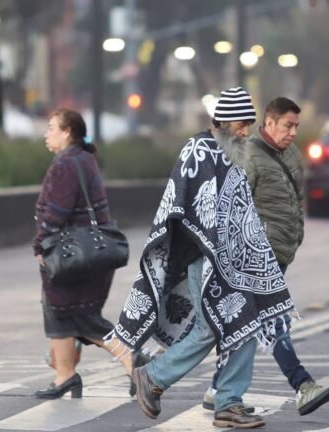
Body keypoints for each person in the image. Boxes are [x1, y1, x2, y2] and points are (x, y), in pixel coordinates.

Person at [105, 87, 296, 429]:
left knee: (244, 324)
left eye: (248, 125)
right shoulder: (199, 149)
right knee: (210, 328)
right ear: (224, 121)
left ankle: (229, 403)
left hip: (233, 262)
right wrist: (214, 246)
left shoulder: (233, 153)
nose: (246, 132)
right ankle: (153, 376)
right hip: (203, 256)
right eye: (241, 125)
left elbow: (240, 210)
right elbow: (185, 204)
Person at [202, 97, 329, 416]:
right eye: (288, 126)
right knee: (273, 319)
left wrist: (297, 233)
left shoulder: (291, 154)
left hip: (282, 250)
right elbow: (234, 205)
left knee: (248, 323)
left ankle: (216, 389)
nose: (293, 132)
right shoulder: (249, 155)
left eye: (296, 126)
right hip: (257, 255)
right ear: (270, 123)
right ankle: (303, 385)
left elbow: (297, 198)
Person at [32, 108, 134, 399]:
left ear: (67, 132)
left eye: (51, 128)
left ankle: (133, 360)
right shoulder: (84, 159)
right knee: (61, 313)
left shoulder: (66, 165)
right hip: (86, 252)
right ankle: (65, 375)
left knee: (80, 317)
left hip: (70, 254)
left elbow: (57, 212)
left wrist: (40, 244)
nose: (46, 134)